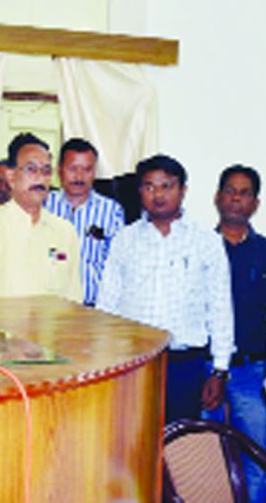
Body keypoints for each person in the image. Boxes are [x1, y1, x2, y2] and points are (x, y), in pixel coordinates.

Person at [97, 154, 233, 423]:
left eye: (166, 186)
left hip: (185, 365)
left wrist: (219, 370)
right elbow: (106, 305)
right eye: (149, 186)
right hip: (133, 363)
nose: (157, 194)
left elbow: (219, 306)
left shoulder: (206, 241)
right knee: (131, 438)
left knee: (179, 441)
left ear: (183, 190)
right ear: (139, 192)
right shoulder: (124, 240)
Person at [208, 164, 266, 503]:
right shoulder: (199, 248)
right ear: (217, 197)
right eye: (230, 191)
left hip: (251, 372)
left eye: (244, 193)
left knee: (255, 461)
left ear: (255, 203)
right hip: (204, 370)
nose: (236, 199)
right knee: (201, 462)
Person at [0, 133, 82, 302]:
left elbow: (74, 300)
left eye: (46, 171)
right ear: (11, 177)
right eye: (31, 169)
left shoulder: (65, 232)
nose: (40, 178)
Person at [43, 138, 126, 306]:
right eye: (72, 168)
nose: (79, 177)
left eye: (87, 169)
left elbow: (119, 264)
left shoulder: (111, 211)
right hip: (49, 305)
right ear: (59, 170)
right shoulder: (44, 205)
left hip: (94, 307)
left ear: (94, 172)